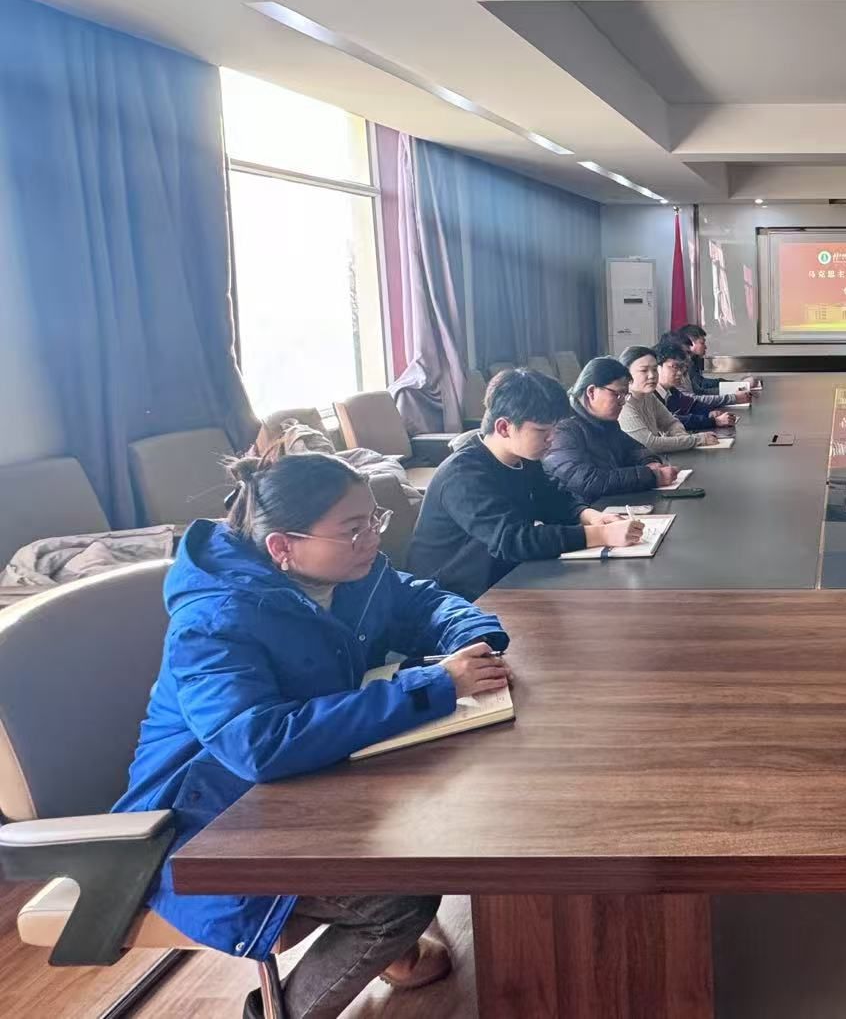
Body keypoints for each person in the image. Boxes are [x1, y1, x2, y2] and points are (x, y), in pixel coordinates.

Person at [112, 451, 511, 1019]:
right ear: (283, 546)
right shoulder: (214, 621)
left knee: (437, 820)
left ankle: (389, 955)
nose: (373, 538)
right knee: (399, 898)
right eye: (353, 529)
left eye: (374, 519)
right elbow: (258, 744)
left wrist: (474, 635)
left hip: (299, 788)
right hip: (202, 824)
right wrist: (431, 685)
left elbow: (420, 599)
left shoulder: (346, 571)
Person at [407, 368, 642, 599]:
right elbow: (513, 540)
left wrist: (591, 517)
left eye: (555, 430)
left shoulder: (524, 458)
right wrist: (602, 535)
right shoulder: (462, 475)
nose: (552, 439)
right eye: (542, 431)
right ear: (503, 427)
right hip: (450, 598)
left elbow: (553, 500)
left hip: (502, 577)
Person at [544, 356, 681, 501]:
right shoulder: (563, 429)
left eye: (625, 395)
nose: (622, 402)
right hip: (588, 510)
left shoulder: (605, 421)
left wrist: (650, 463)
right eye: (618, 395)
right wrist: (651, 477)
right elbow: (586, 481)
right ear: (591, 392)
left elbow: (635, 449)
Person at [618, 344, 728, 452]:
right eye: (643, 370)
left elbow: (671, 423)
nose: (652, 375)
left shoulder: (648, 396)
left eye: (654, 369)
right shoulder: (623, 404)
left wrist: (682, 438)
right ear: (626, 374)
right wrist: (696, 440)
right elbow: (650, 444)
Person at [656, 338, 740, 432]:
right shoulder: (652, 395)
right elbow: (672, 420)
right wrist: (714, 421)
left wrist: (709, 412)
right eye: (674, 367)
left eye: (681, 367)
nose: (680, 373)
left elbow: (691, 404)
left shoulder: (671, 391)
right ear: (657, 367)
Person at [677, 323, 753, 396]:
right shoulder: (683, 364)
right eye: (702, 343)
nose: (706, 347)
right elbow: (700, 392)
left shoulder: (693, 360)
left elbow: (703, 383)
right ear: (690, 343)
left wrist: (737, 384)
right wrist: (738, 386)